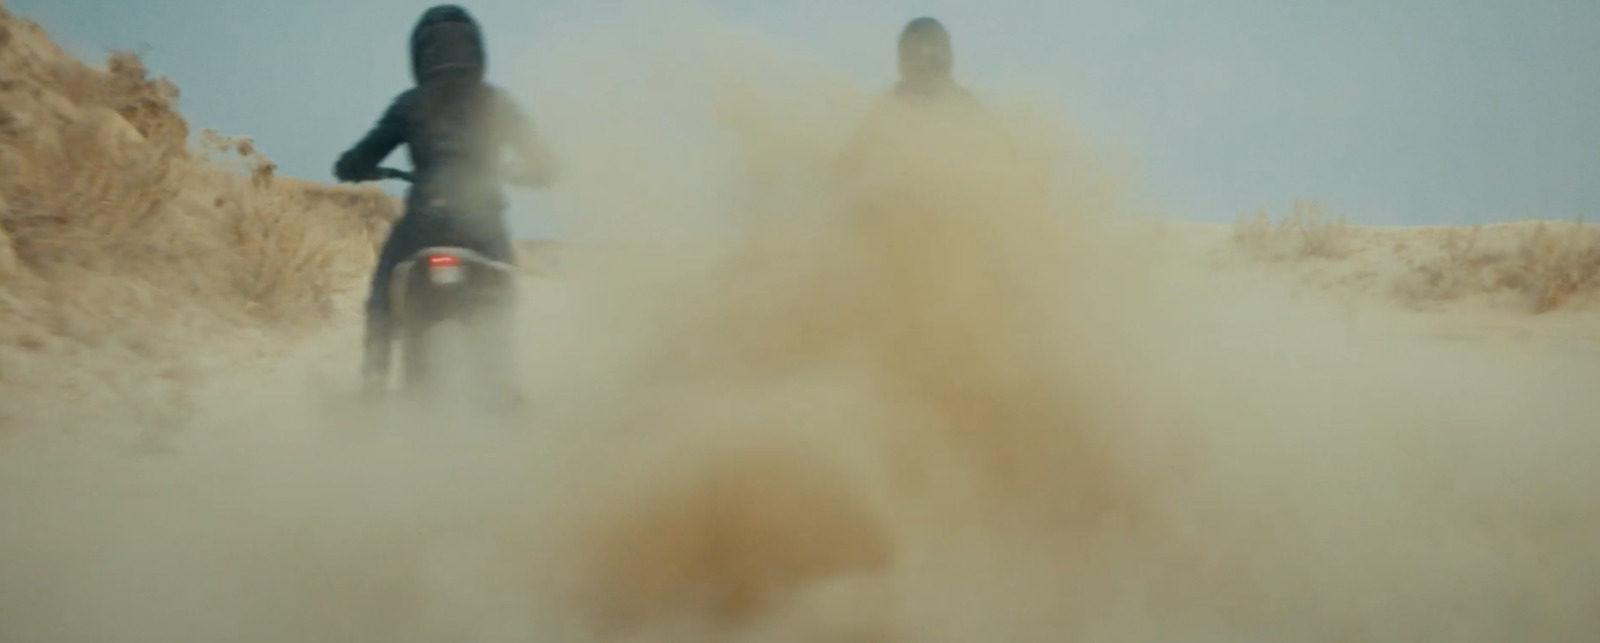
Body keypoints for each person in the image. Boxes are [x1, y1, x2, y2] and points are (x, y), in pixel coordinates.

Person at [332, 4, 561, 396]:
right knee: (503, 297)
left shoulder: (410, 103)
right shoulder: (496, 102)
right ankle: (505, 383)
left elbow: (354, 161)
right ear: (477, 50)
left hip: (424, 222)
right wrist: (524, 174)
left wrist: (359, 169)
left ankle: (372, 380)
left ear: (420, 53)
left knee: (384, 289)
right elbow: (546, 164)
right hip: (484, 223)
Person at [836, 16, 988, 178]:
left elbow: (1003, 161)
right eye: (917, 50)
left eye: (934, 49)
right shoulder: (888, 108)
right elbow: (849, 164)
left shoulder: (965, 107)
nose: (927, 57)